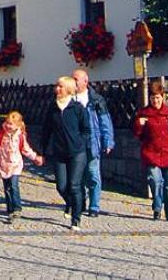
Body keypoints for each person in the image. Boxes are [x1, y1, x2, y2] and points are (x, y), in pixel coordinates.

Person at [38, 74, 92, 230]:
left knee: (75, 185)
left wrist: (80, 142)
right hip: (59, 152)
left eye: (60, 86)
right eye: (57, 86)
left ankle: (76, 218)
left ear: (68, 89)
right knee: (61, 186)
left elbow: (86, 129)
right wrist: (42, 150)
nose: (57, 89)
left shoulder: (77, 108)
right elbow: (46, 130)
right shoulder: (52, 108)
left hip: (77, 153)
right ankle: (72, 202)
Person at [132, 79, 168, 221]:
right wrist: (139, 124)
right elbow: (137, 134)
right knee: (155, 182)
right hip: (151, 154)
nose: (155, 101)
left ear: (162, 97)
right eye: (153, 98)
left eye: (157, 98)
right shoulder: (144, 113)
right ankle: (156, 208)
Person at [0, 110, 42, 222]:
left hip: (15, 165)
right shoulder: (1, 134)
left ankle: (17, 208)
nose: (8, 125)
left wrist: (35, 157)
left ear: (17, 125)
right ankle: (9, 208)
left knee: (13, 186)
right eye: (7, 123)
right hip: (3, 164)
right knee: (7, 188)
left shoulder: (20, 136)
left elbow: (26, 150)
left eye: (11, 124)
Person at [73, 67, 114, 217]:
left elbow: (104, 121)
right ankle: (81, 202)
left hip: (92, 142)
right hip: (76, 144)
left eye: (76, 79)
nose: (74, 82)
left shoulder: (96, 99)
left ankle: (94, 206)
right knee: (79, 176)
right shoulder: (70, 99)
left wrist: (108, 141)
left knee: (93, 174)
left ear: (85, 81)